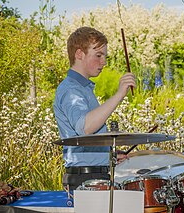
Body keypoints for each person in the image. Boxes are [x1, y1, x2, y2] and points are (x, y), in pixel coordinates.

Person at [53, 26, 136, 190]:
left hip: (93, 176)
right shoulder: (71, 90)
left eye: (104, 56)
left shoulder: (83, 88)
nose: (103, 62)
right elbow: (85, 127)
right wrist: (119, 94)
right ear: (79, 54)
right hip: (85, 179)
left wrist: (108, 156)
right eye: (98, 55)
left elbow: (86, 142)